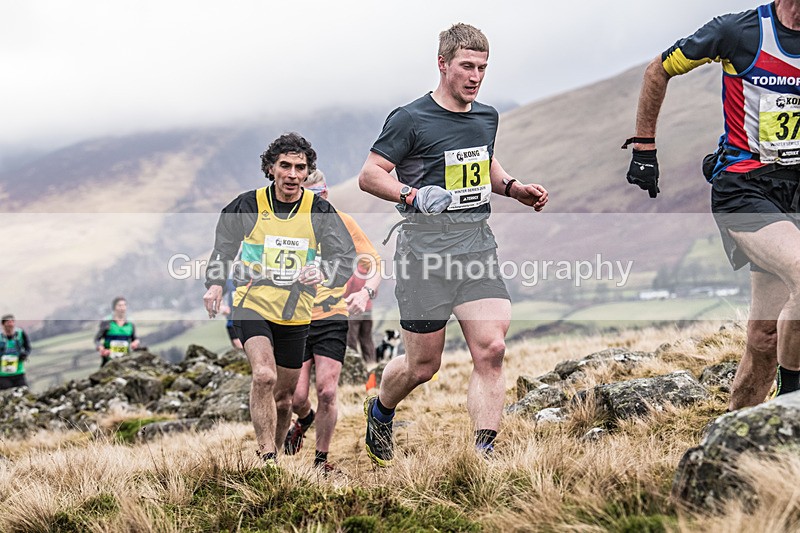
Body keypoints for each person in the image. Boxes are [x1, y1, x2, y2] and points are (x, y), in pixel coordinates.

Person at [357, 23, 549, 466]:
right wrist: (412, 195)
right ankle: (381, 409)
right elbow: (371, 174)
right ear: (442, 64)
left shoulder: (486, 117)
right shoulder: (409, 119)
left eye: (483, 67)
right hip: (423, 255)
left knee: (492, 348)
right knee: (422, 366)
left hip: (475, 247)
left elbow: (485, 162)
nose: (476, 76)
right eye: (467, 66)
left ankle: (483, 455)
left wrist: (513, 187)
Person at [625, 1, 800, 410]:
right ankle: (793, 409)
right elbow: (659, 69)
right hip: (746, 190)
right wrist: (644, 149)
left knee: (764, 338)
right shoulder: (738, 33)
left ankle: (729, 441)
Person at [203, 134, 356, 467]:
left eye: (299, 168)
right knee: (264, 376)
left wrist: (324, 271)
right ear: (270, 169)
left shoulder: (319, 210)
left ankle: (272, 463)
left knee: (285, 400)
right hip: (252, 303)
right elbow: (224, 247)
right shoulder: (248, 204)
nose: (292, 174)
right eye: (284, 166)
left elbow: (345, 257)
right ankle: (268, 456)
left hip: (297, 312)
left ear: (306, 172)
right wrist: (215, 285)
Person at [284, 169, 381, 471]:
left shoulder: (342, 222)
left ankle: (320, 460)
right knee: (297, 396)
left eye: (323, 194)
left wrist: (366, 292)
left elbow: (372, 262)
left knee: (327, 391)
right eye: (312, 196)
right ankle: (303, 419)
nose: (320, 201)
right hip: (294, 318)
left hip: (332, 315)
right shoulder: (285, 224)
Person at [345, 263, 378, 364]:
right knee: (367, 339)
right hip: (368, 310)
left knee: (351, 338)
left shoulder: (353, 273)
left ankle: (353, 364)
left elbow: (346, 291)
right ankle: (371, 363)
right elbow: (374, 294)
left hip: (354, 310)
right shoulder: (371, 276)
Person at [94, 297, 140, 368]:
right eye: (119, 305)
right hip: (109, 359)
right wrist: (101, 349)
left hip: (126, 359)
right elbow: (97, 339)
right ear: (114, 308)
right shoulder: (107, 322)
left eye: (124, 305)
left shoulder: (130, 323)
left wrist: (135, 343)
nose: (122, 308)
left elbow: (135, 338)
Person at [0, 314, 32, 390]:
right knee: (6, 396)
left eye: (12, 322)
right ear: (3, 325)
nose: (10, 325)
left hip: (19, 372)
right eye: (8, 323)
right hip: (3, 375)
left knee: (24, 393)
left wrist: (25, 354)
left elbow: (28, 347)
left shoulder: (20, 334)